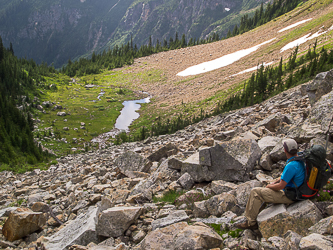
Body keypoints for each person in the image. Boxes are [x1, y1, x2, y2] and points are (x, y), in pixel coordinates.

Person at [236, 138, 305, 229]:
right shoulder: (299, 159)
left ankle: (250, 223)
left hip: (290, 195)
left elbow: (281, 186)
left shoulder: (291, 166)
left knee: (255, 192)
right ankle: (258, 212)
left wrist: (269, 186)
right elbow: (289, 177)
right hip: (298, 191)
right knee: (266, 189)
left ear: (285, 150)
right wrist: (276, 181)